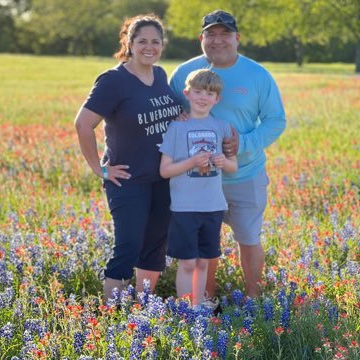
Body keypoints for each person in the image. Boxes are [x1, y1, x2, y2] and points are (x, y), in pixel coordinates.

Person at [169, 10, 286, 298]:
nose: (217, 40)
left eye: (225, 34)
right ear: (201, 38)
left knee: (248, 238)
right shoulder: (183, 73)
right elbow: (168, 113)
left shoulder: (257, 75)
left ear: (237, 38)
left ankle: (254, 299)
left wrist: (243, 143)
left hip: (245, 173)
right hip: (198, 179)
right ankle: (206, 300)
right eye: (211, 34)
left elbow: (276, 120)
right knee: (205, 242)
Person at [74, 14, 182, 302]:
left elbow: (167, 118)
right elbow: (83, 125)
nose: (150, 47)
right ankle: (114, 317)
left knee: (154, 248)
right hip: (128, 180)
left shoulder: (160, 75)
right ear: (129, 43)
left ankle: (143, 308)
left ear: (162, 45)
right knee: (128, 246)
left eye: (155, 41)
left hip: (162, 177)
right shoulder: (113, 80)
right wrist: (100, 169)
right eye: (142, 41)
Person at [159, 69, 237, 309]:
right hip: (185, 207)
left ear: (217, 99)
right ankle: (185, 308)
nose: (204, 97)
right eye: (198, 91)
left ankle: (200, 303)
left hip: (213, 205)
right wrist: (192, 162)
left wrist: (225, 162)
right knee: (187, 263)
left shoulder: (223, 127)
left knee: (204, 261)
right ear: (187, 94)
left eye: (210, 93)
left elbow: (233, 166)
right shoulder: (176, 128)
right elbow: (165, 170)